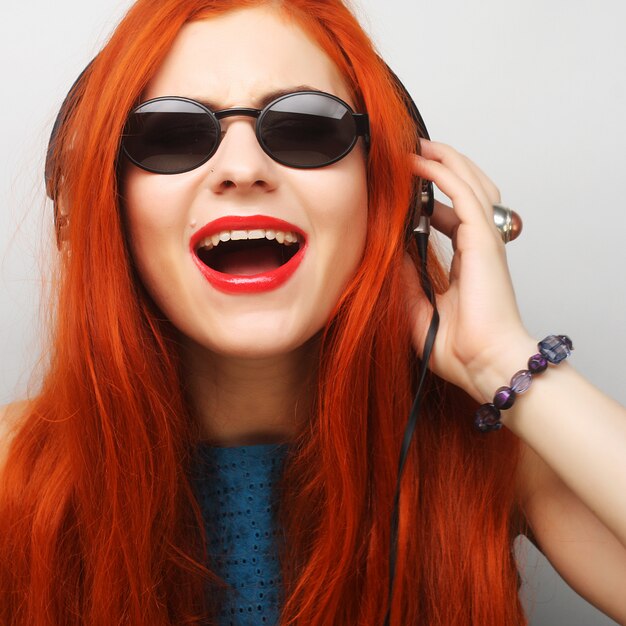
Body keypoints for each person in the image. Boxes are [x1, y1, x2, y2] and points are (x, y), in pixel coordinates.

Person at [0, 0, 625, 624]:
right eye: (168, 136)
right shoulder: (13, 468)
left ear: (398, 198)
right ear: (87, 213)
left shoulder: (497, 446)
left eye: (305, 126)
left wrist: (496, 357)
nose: (243, 170)